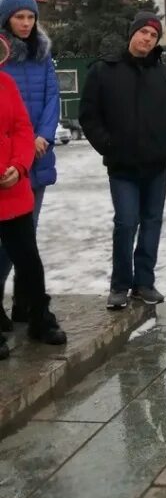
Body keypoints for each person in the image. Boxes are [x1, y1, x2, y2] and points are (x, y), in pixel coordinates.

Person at [79, 11, 166, 310]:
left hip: (156, 165)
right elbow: (89, 115)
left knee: (152, 223)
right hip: (122, 166)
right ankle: (120, 285)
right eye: (143, 33)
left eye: (153, 36)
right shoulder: (105, 71)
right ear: (132, 34)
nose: (147, 39)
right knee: (126, 223)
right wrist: (107, 145)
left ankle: (144, 283)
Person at [0, 32, 66, 358]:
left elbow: (22, 129)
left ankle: (39, 316)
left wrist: (19, 166)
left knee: (28, 259)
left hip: (13, 189)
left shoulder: (6, 84)